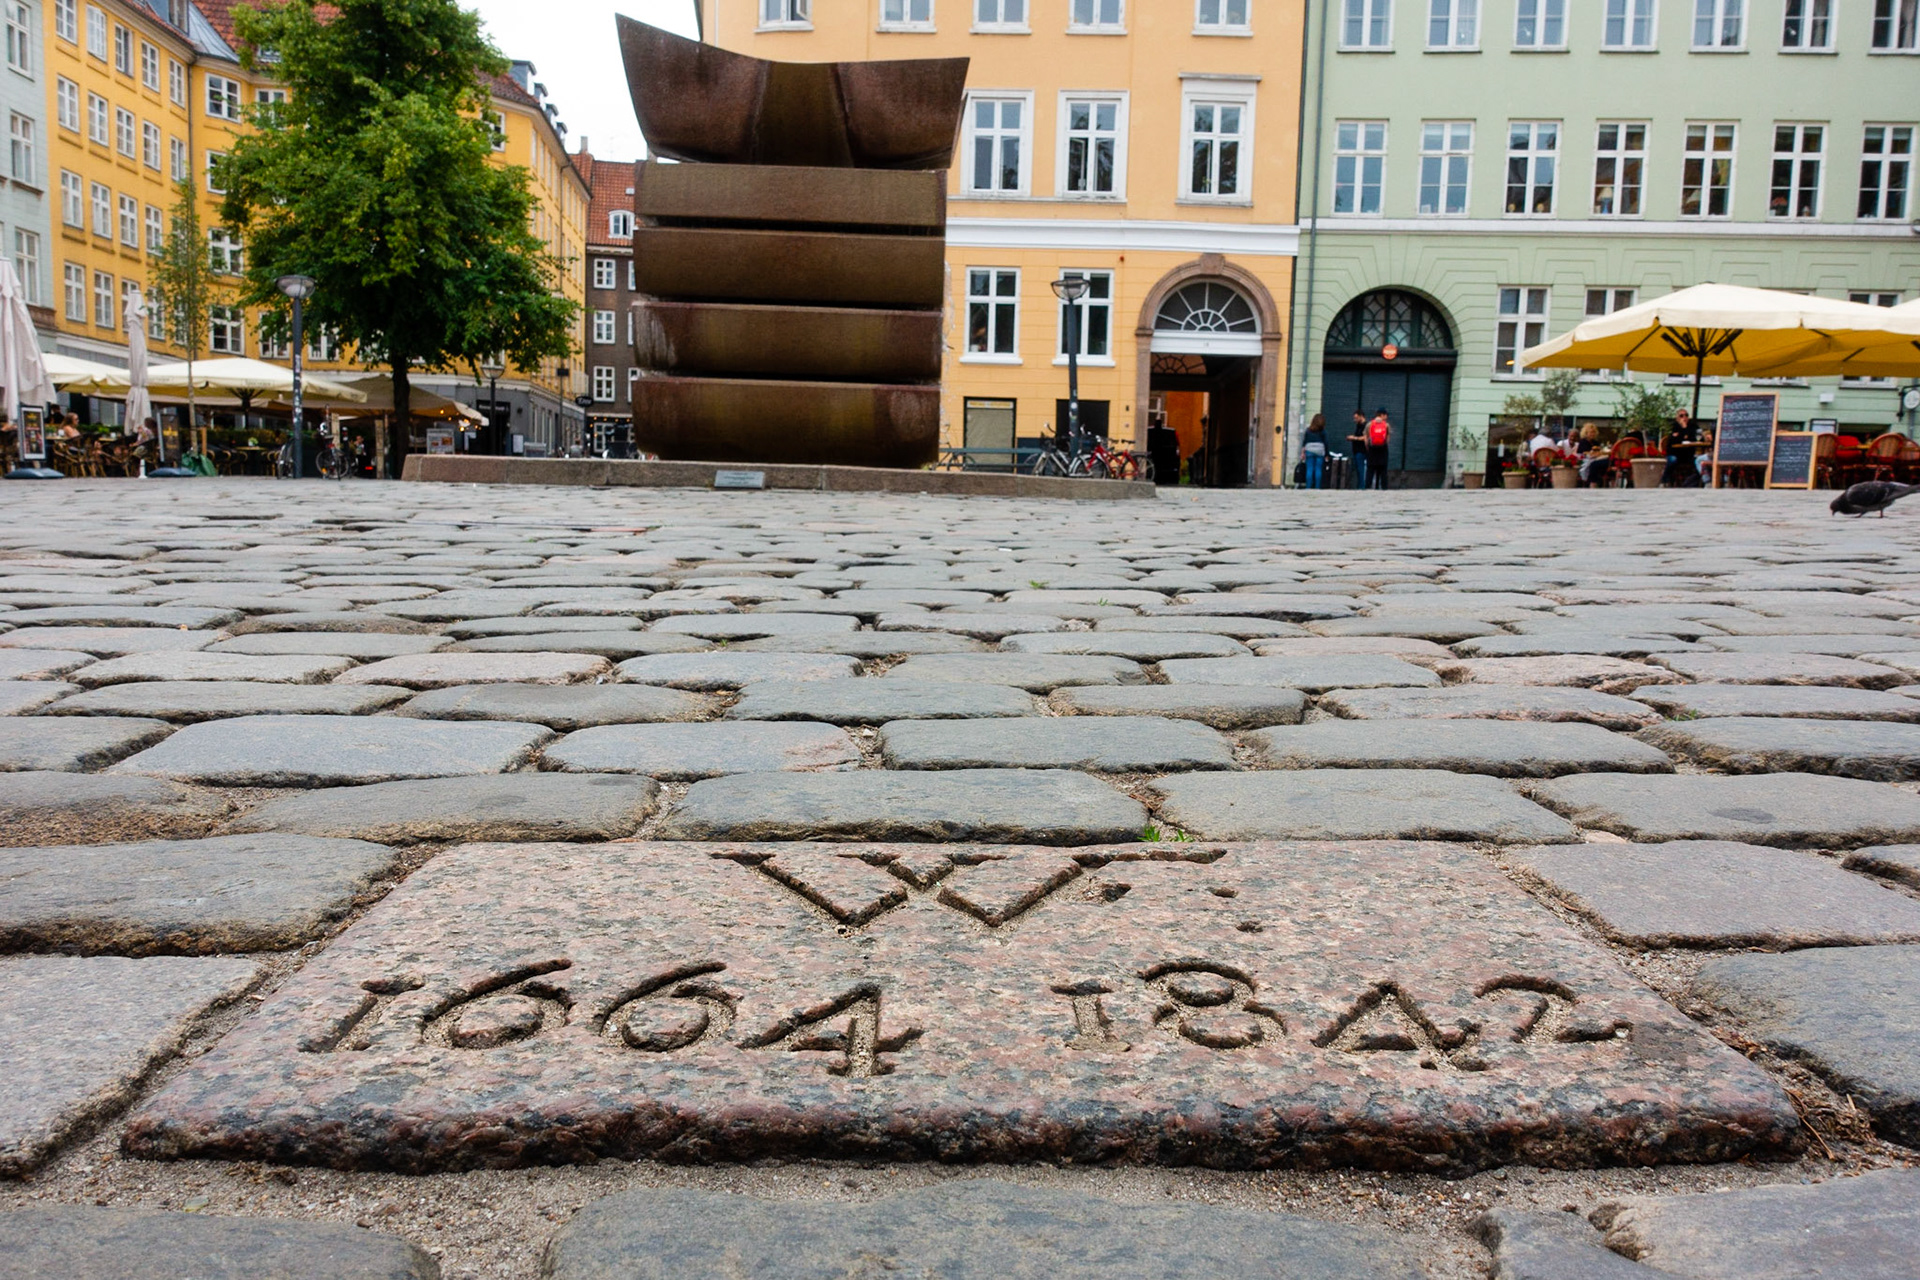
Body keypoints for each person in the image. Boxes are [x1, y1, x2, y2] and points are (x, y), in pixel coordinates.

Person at [1664, 408, 1703, 487]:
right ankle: (1665, 480)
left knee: (1699, 460)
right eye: (1681, 416)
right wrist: (1684, 429)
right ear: (1677, 418)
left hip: (1688, 454)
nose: (1684, 417)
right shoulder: (1673, 427)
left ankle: (1694, 482)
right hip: (1675, 453)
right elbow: (1673, 441)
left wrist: (1684, 434)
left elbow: (1699, 438)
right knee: (1672, 460)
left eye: (1686, 415)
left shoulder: (1693, 426)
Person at [1365, 407, 1391, 490]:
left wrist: (1368, 448)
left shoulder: (1369, 424)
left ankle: (1367, 487)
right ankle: (1384, 488)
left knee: (1370, 470)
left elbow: (1366, 439)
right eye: (1386, 415)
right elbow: (1388, 439)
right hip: (1383, 449)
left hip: (1372, 450)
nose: (1386, 417)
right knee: (1383, 470)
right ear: (1382, 415)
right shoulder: (1386, 425)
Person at [1301, 413, 1328, 489]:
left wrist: (1303, 452)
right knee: (1318, 469)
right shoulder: (1323, 431)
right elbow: (1326, 443)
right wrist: (1327, 454)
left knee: (1309, 469)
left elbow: (1304, 442)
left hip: (1309, 449)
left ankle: (1308, 487)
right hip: (1319, 450)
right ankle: (1317, 487)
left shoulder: (1308, 430)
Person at [1348, 410, 1369, 488]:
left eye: (1356, 418)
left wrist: (1354, 438)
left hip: (1362, 451)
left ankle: (1362, 487)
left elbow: (1366, 437)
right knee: (1358, 470)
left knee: (1361, 470)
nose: (1355, 420)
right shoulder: (1359, 426)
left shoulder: (1366, 426)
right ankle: (1360, 486)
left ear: (1361, 416)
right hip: (1357, 451)